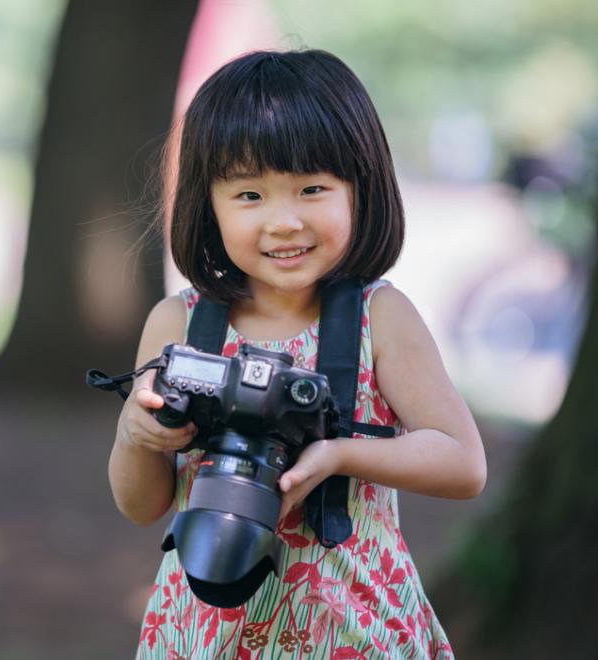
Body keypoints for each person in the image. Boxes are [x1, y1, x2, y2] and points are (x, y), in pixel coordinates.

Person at [108, 49, 486, 659]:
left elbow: (463, 463)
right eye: (249, 195)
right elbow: (143, 504)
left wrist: (336, 453)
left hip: (353, 634)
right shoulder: (179, 324)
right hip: (208, 635)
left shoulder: (379, 317)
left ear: (360, 189)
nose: (283, 222)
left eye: (312, 189)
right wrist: (135, 436)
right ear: (208, 203)